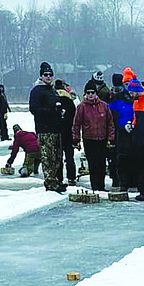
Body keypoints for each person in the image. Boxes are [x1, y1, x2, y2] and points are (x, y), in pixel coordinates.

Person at [29, 61, 67, 192]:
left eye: (51, 74)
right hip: (45, 129)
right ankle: (50, 182)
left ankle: (56, 180)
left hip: (56, 128)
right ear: (41, 76)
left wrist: (60, 111)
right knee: (48, 157)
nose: (49, 77)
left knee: (57, 157)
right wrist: (51, 110)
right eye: (46, 74)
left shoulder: (52, 90)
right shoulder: (37, 91)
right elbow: (34, 109)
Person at [71, 80, 116, 191]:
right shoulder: (81, 107)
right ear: (85, 94)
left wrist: (111, 138)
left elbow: (110, 123)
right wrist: (76, 139)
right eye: (88, 93)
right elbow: (76, 124)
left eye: (92, 92)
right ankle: (95, 186)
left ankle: (101, 186)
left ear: (96, 94)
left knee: (101, 163)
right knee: (93, 163)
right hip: (89, 139)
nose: (90, 95)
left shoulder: (104, 106)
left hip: (102, 139)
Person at [53, 79, 78, 183]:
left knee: (58, 157)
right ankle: (71, 177)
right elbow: (74, 118)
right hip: (68, 132)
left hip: (57, 132)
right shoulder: (70, 101)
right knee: (69, 157)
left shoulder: (53, 99)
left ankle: (59, 178)